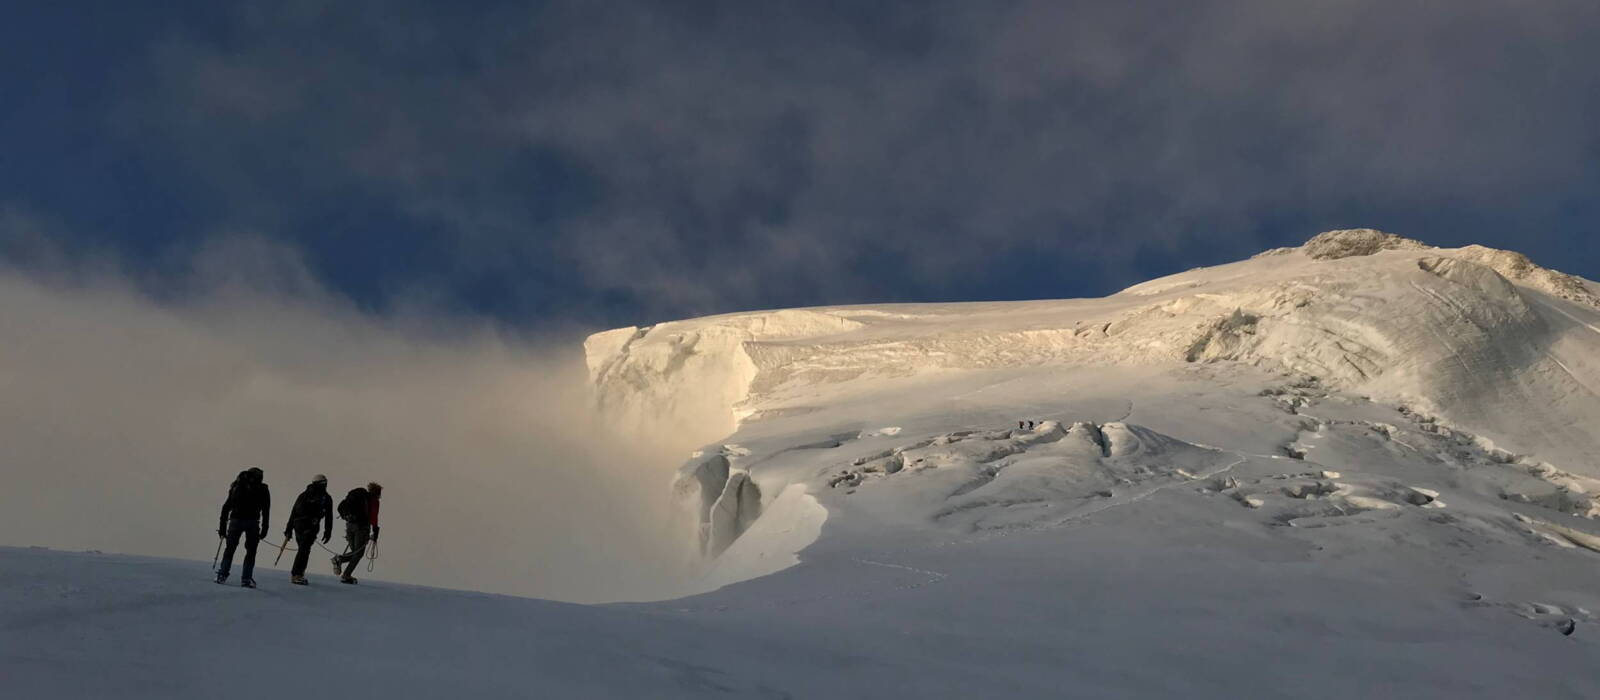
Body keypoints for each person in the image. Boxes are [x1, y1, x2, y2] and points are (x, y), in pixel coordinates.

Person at [216, 467, 271, 588]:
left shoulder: (237, 486)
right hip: (252, 522)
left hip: (235, 520)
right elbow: (266, 510)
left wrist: (222, 527)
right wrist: (265, 527)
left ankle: (222, 574)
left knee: (230, 548)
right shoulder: (263, 489)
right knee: (251, 551)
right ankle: (246, 578)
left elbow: (226, 507)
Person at [283, 474, 334, 585]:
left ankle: (299, 573)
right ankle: (296, 574)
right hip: (307, 526)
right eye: (323, 483)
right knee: (304, 549)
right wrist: (328, 531)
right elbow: (328, 516)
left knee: (304, 549)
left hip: (301, 526)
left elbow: (294, 512)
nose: (325, 485)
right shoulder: (322, 497)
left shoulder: (305, 495)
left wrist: (289, 529)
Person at [331, 482, 382, 584]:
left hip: (349, 525)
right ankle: (345, 574)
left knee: (355, 552)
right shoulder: (373, 501)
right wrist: (375, 531)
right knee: (358, 553)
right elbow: (373, 518)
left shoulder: (360, 497)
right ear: (377, 493)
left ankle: (340, 561)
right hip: (361, 528)